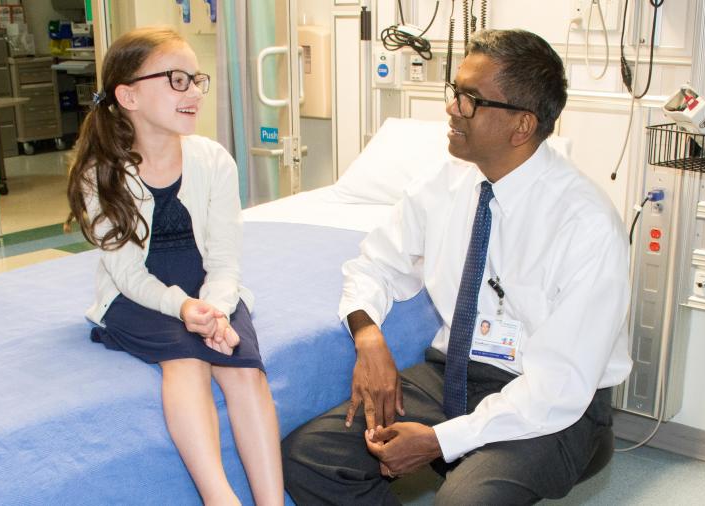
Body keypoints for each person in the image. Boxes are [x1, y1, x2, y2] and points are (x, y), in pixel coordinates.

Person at [282, 29, 632, 505]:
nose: (451, 109)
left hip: (550, 403)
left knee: (462, 502)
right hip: (454, 375)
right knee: (310, 456)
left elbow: (558, 388)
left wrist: (438, 440)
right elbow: (375, 264)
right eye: (455, 92)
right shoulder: (444, 183)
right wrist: (367, 333)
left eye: (470, 99)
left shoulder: (585, 225)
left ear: (522, 126)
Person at [66, 26, 283, 506]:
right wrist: (182, 309)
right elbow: (126, 273)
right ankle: (219, 498)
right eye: (176, 80)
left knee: (244, 369)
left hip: (208, 288)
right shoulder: (100, 173)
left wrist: (217, 309)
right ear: (128, 96)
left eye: (196, 80)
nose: (194, 93)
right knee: (185, 361)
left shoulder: (214, 160)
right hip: (138, 295)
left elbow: (225, 260)